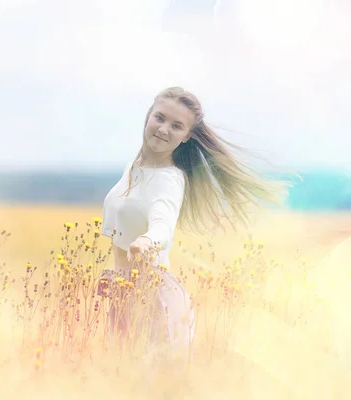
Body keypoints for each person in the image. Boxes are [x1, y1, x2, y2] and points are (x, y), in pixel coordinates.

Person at [99, 86, 289, 360]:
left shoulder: (168, 179)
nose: (164, 129)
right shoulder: (135, 166)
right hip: (125, 289)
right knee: (122, 378)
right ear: (148, 116)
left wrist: (146, 240)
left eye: (177, 126)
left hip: (152, 295)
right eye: (160, 118)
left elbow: (163, 223)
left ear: (187, 136)